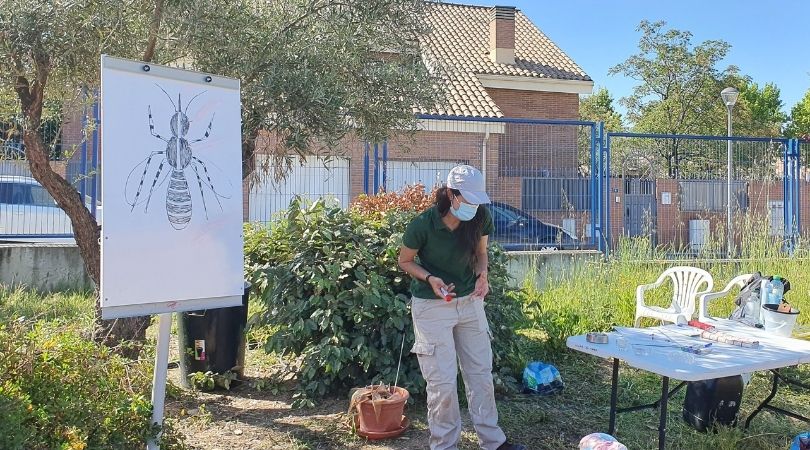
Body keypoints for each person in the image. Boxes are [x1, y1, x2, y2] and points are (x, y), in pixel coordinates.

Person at [398, 165, 525, 450]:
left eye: (476, 199)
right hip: (432, 307)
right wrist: (430, 278)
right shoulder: (423, 225)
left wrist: (483, 275)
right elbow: (404, 261)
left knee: (480, 375)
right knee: (442, 384)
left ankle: (493, 442)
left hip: (470, 303)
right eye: (466, 198)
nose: (473, 205)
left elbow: (481, 254)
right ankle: (444, 445)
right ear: (451, 194)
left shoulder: (480, 216)